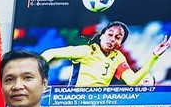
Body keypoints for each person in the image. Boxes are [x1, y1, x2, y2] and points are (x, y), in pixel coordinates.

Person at [41, 21, 170, 87]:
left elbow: (132, 81)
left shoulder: (118, 58)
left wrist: (154, 56)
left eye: (118, 37)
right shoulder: (86, 51)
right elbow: (51, 53)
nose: (112, 39)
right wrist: (36, 70)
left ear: (120, 43)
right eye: (110, 34)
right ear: (101, 35)